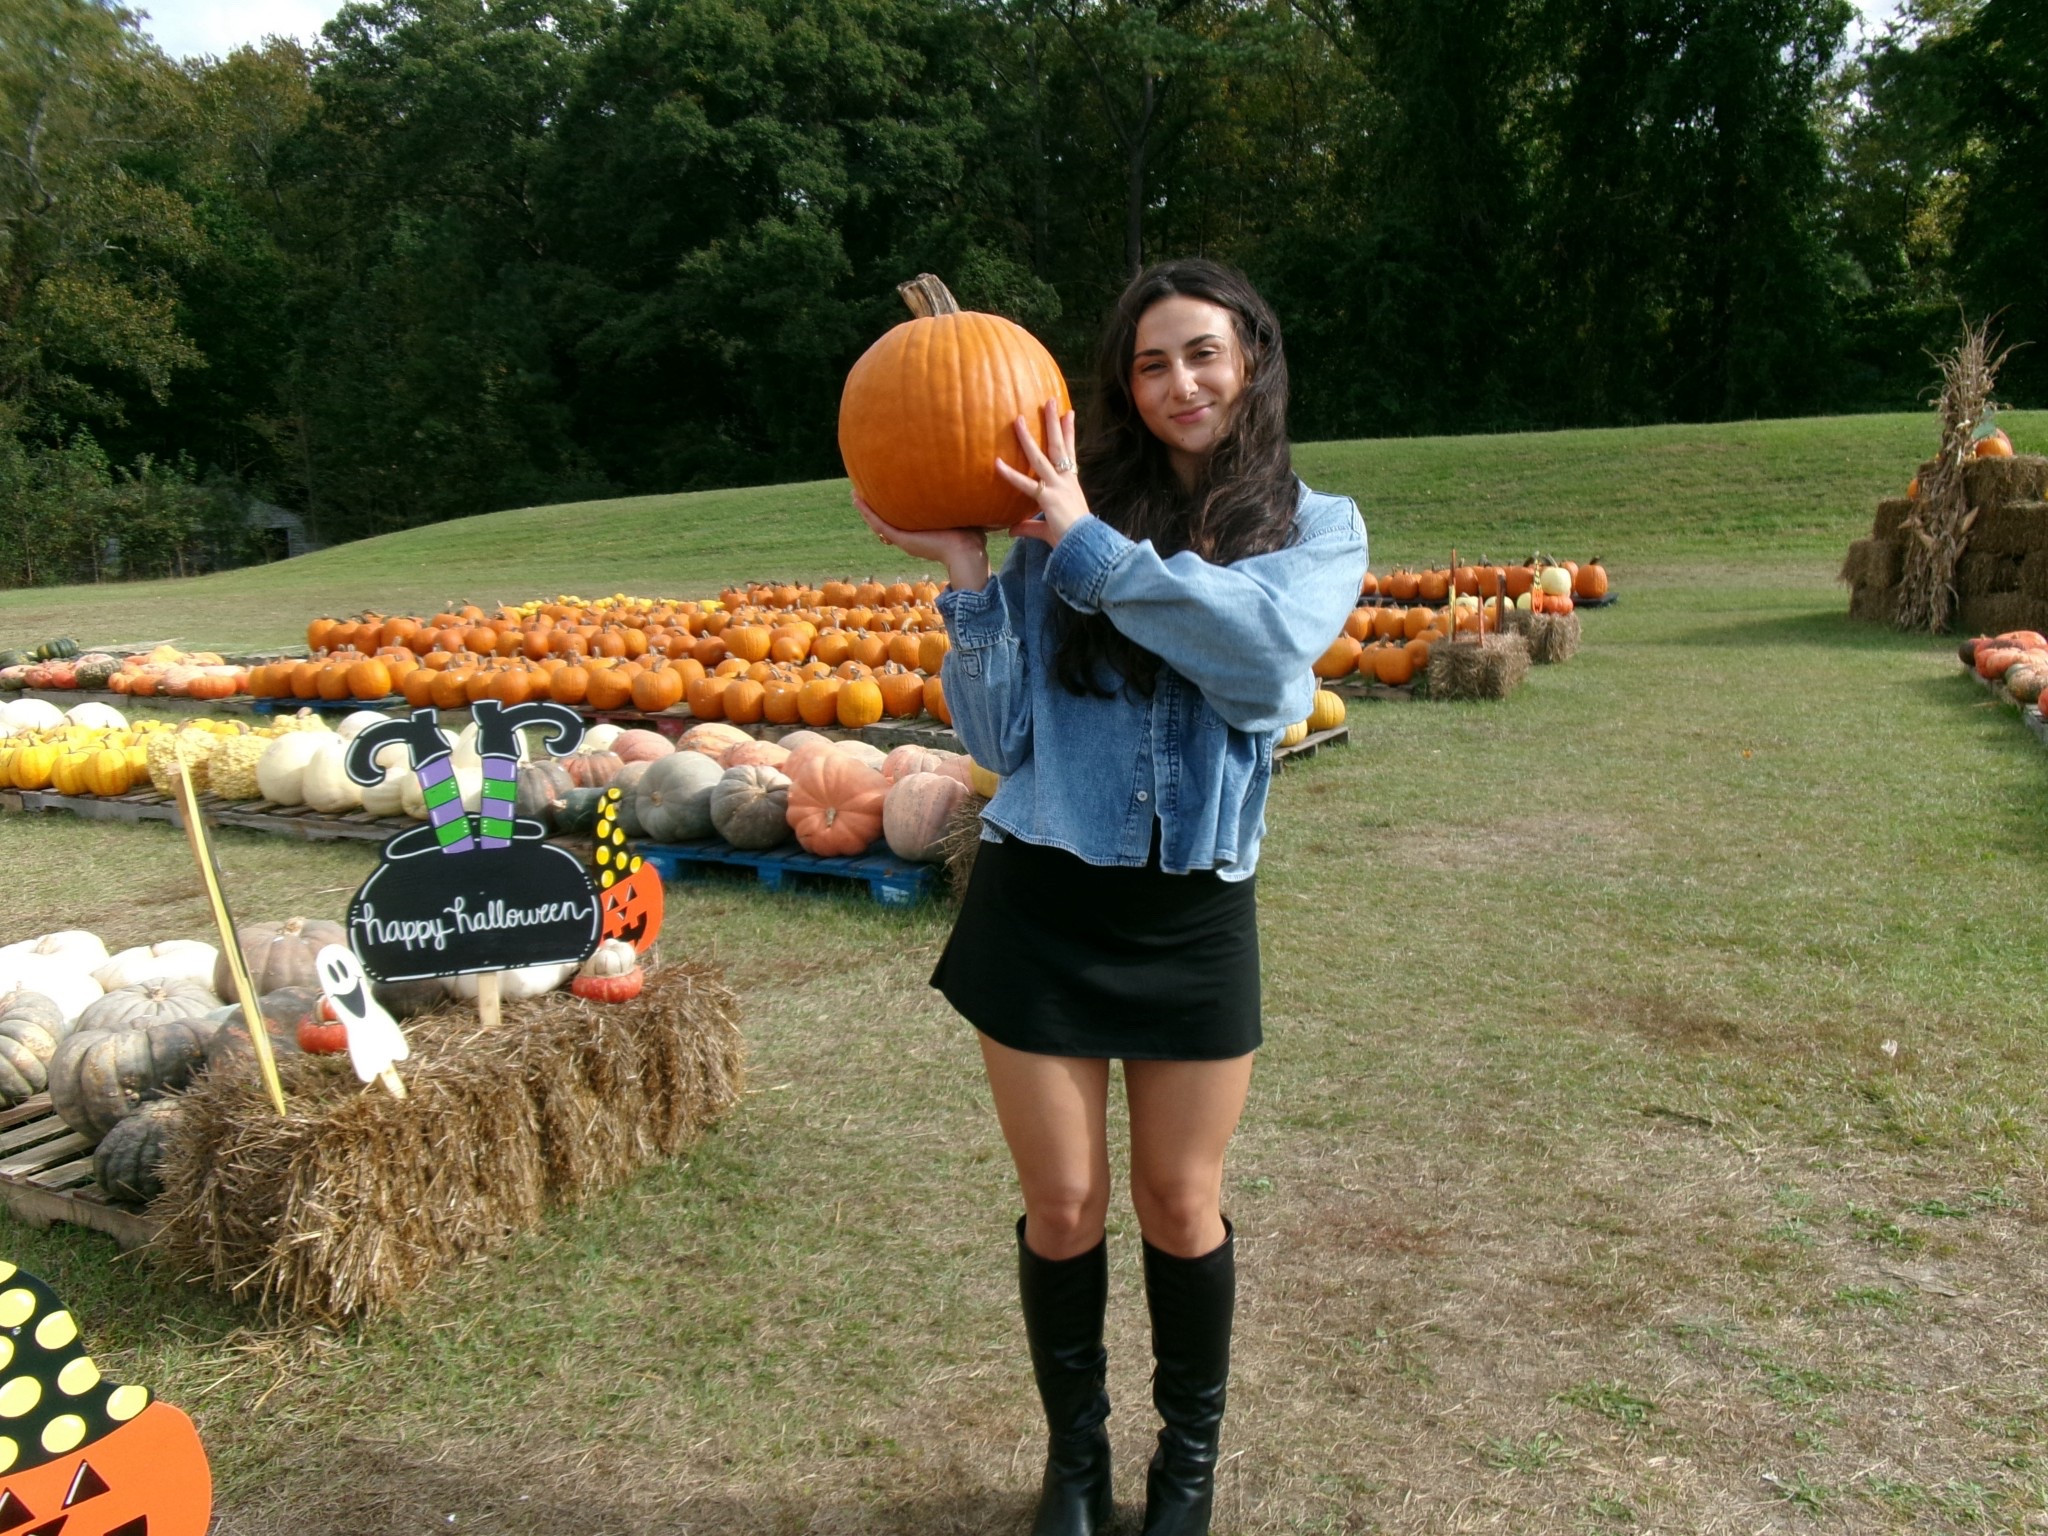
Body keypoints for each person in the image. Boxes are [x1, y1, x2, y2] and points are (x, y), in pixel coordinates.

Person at [856, 258, 1367, 1536]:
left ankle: (1180, 1472)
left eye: (1200, 351)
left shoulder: (1318, 530)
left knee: (1178, 1203)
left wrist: (1083, 541)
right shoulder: (1045, 528)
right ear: (1121, 387)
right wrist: (976, 575)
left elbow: (1262, 675)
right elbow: (1001, 738)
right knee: (1066, 1205)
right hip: (1040, 900)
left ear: (1249, 357)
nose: (1177, 381)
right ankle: (1074, 1466)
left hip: (1191, 912)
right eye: (1148, 362)